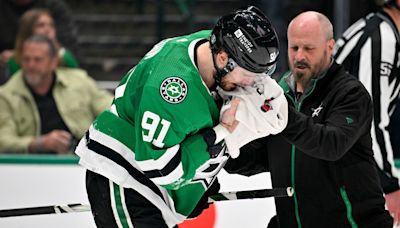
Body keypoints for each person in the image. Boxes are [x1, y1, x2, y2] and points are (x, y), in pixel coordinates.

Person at [74, 6, 283, 228]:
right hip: (125, 176)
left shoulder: (212, 47)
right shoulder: (172, 89)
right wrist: (221, 132)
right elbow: (160, 168)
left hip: (153, 182)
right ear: (223, 58)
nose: (251, 84)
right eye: (249, 75)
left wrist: (199, 182)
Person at [224, 11, 393, 227]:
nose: (299, 56)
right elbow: (259, 156)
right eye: (294, 48)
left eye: (309, 48)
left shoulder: (350, 94)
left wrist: (281, 113)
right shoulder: (281, 95)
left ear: (330, 46)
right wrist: (218, 151)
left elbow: (331, 145)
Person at [334, 0, 400, 224]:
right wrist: (390, 184)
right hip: (341, 176)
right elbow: (369, 120)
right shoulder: (380, 38)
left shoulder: (380, 31)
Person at [0, 34, 112, 154]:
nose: (31, 65)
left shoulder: (79, 80)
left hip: (83, 159)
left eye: (38, 60)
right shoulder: (5, 95)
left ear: (53, 62)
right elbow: (3, 140)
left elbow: (110, 108)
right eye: (26, 59)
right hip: (34, 166)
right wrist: (39, 143)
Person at [6, 8, 78, 78]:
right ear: (27, 30)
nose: (47, 30)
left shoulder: (65, 58)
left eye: (51, 25)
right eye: (41, 25)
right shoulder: (14, 61)